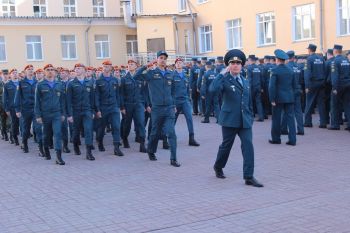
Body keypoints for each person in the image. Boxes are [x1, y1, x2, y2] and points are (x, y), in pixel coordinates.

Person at [211, 49, 263, 187]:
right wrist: (223, 73)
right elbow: (212, 89)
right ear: (228, 65)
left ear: (242, 65)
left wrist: (251, 115)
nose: (235, 65)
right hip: (229, 120)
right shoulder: (224, 79)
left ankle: (249, 176)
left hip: (244, 120)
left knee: (248, 146)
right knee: (226, 146)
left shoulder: (245, 81)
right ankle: (218, 166)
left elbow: (248, 100)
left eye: (238, 63)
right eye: (232, 63)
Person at [140, 51, 181, 167]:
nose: (163, 60)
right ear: (157, 59)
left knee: (171, 133)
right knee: (155, 133)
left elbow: (173, 91)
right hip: (157, 109)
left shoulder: (170, 74)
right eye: (161, 58)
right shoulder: (151, 73)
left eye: (165, 58)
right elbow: (136, 76)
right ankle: (151, 151)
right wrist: (145, 66)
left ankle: (173, 159)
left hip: (168, 109)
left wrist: (173, 105)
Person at [34, 64, 66, 165]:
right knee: (46, 135)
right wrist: (38, 116)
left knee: (57, 133)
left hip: (56, 113)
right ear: (44, 72)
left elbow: (62, 100)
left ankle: (58, 156)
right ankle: (46, 150)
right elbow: (37, 102)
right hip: (45, 114)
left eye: (52, 70)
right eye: (48, 70)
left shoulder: (59, 84)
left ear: (55, 72)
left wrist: (63, 113)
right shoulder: (40, 85)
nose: (50, 71)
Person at [66, 63, 95, 160]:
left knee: (88, 130)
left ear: (84, 70)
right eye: (76, 68)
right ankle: (75, 145)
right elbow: (68, 100)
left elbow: (92, 99)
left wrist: (93, 111)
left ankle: (88, 152)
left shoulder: (89, 82)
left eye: (79, 68)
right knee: (76, 131)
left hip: (87, 110)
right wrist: (69, 115)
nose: (77, 70)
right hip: (76, 111)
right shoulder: (71, 83)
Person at [95, 60, 124, 156]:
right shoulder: (98, 81)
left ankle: (116, 147)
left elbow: (118, 94)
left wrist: (119, 106)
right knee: (101, 128)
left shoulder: (115, 80)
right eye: (105, 66)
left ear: (111, 68)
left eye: (108, 66)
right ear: (102, 67)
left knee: (116, 126)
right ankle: (100, 141)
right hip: (103, 108)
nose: (106, 67)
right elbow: (96, 96)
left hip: (114, 107)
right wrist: (98, 109)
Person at [269, 49, 297, 146]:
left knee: (276, 118)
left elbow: (271, 86)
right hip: (289, 97)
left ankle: (276, 139)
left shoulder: (274, 70)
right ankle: (292, 140)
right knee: (290, 119)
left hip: (278, 98)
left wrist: (272, 99)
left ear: (277, 59)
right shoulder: (290, 70)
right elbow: (294, 85)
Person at [120, 58, 148, 153]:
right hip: (128, 105)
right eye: (129, 64)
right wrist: (122, 107)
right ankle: (124, 138)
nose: (130, 65)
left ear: (136, 66)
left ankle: (142, 143)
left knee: (140, 123)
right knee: (127, 125)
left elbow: (144, 93)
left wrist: (145, 104)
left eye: (132, 63)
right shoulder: (124, 79)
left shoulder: (141, 78)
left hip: (138, 104)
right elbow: (121, 94)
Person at [173, 58, 200, 146]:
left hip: (185, 101)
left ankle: (191, 139)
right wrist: (172, 103)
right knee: (173, 120)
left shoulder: (185, 75)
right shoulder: (172, 75)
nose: (178, 64)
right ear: (175, 65)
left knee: (189, 119)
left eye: (180, 63)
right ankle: (168, 138)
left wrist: (188, 99)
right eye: (177, 63)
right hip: (175, 101)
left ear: (183, 64)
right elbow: (170, 90)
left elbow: (188, 89)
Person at [304, 44, 327, 128]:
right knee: (321, 104)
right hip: (321, 83)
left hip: (312, 83)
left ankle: (307, 122)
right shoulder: (321, 58)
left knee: (309, 103)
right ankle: (323, 123)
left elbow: (307, 73)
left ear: (309, 50)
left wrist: (307, 86)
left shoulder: (309, 59)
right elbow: (325, 71)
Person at [330, 44, 350, 131]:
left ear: (335, 51)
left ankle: (335, 125)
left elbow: (335, 76)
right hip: (348, 84)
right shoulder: (347, 60)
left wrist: (334, 88)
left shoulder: (335, 61)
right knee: (347, 105)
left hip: (339, 85)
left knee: (334, 105)